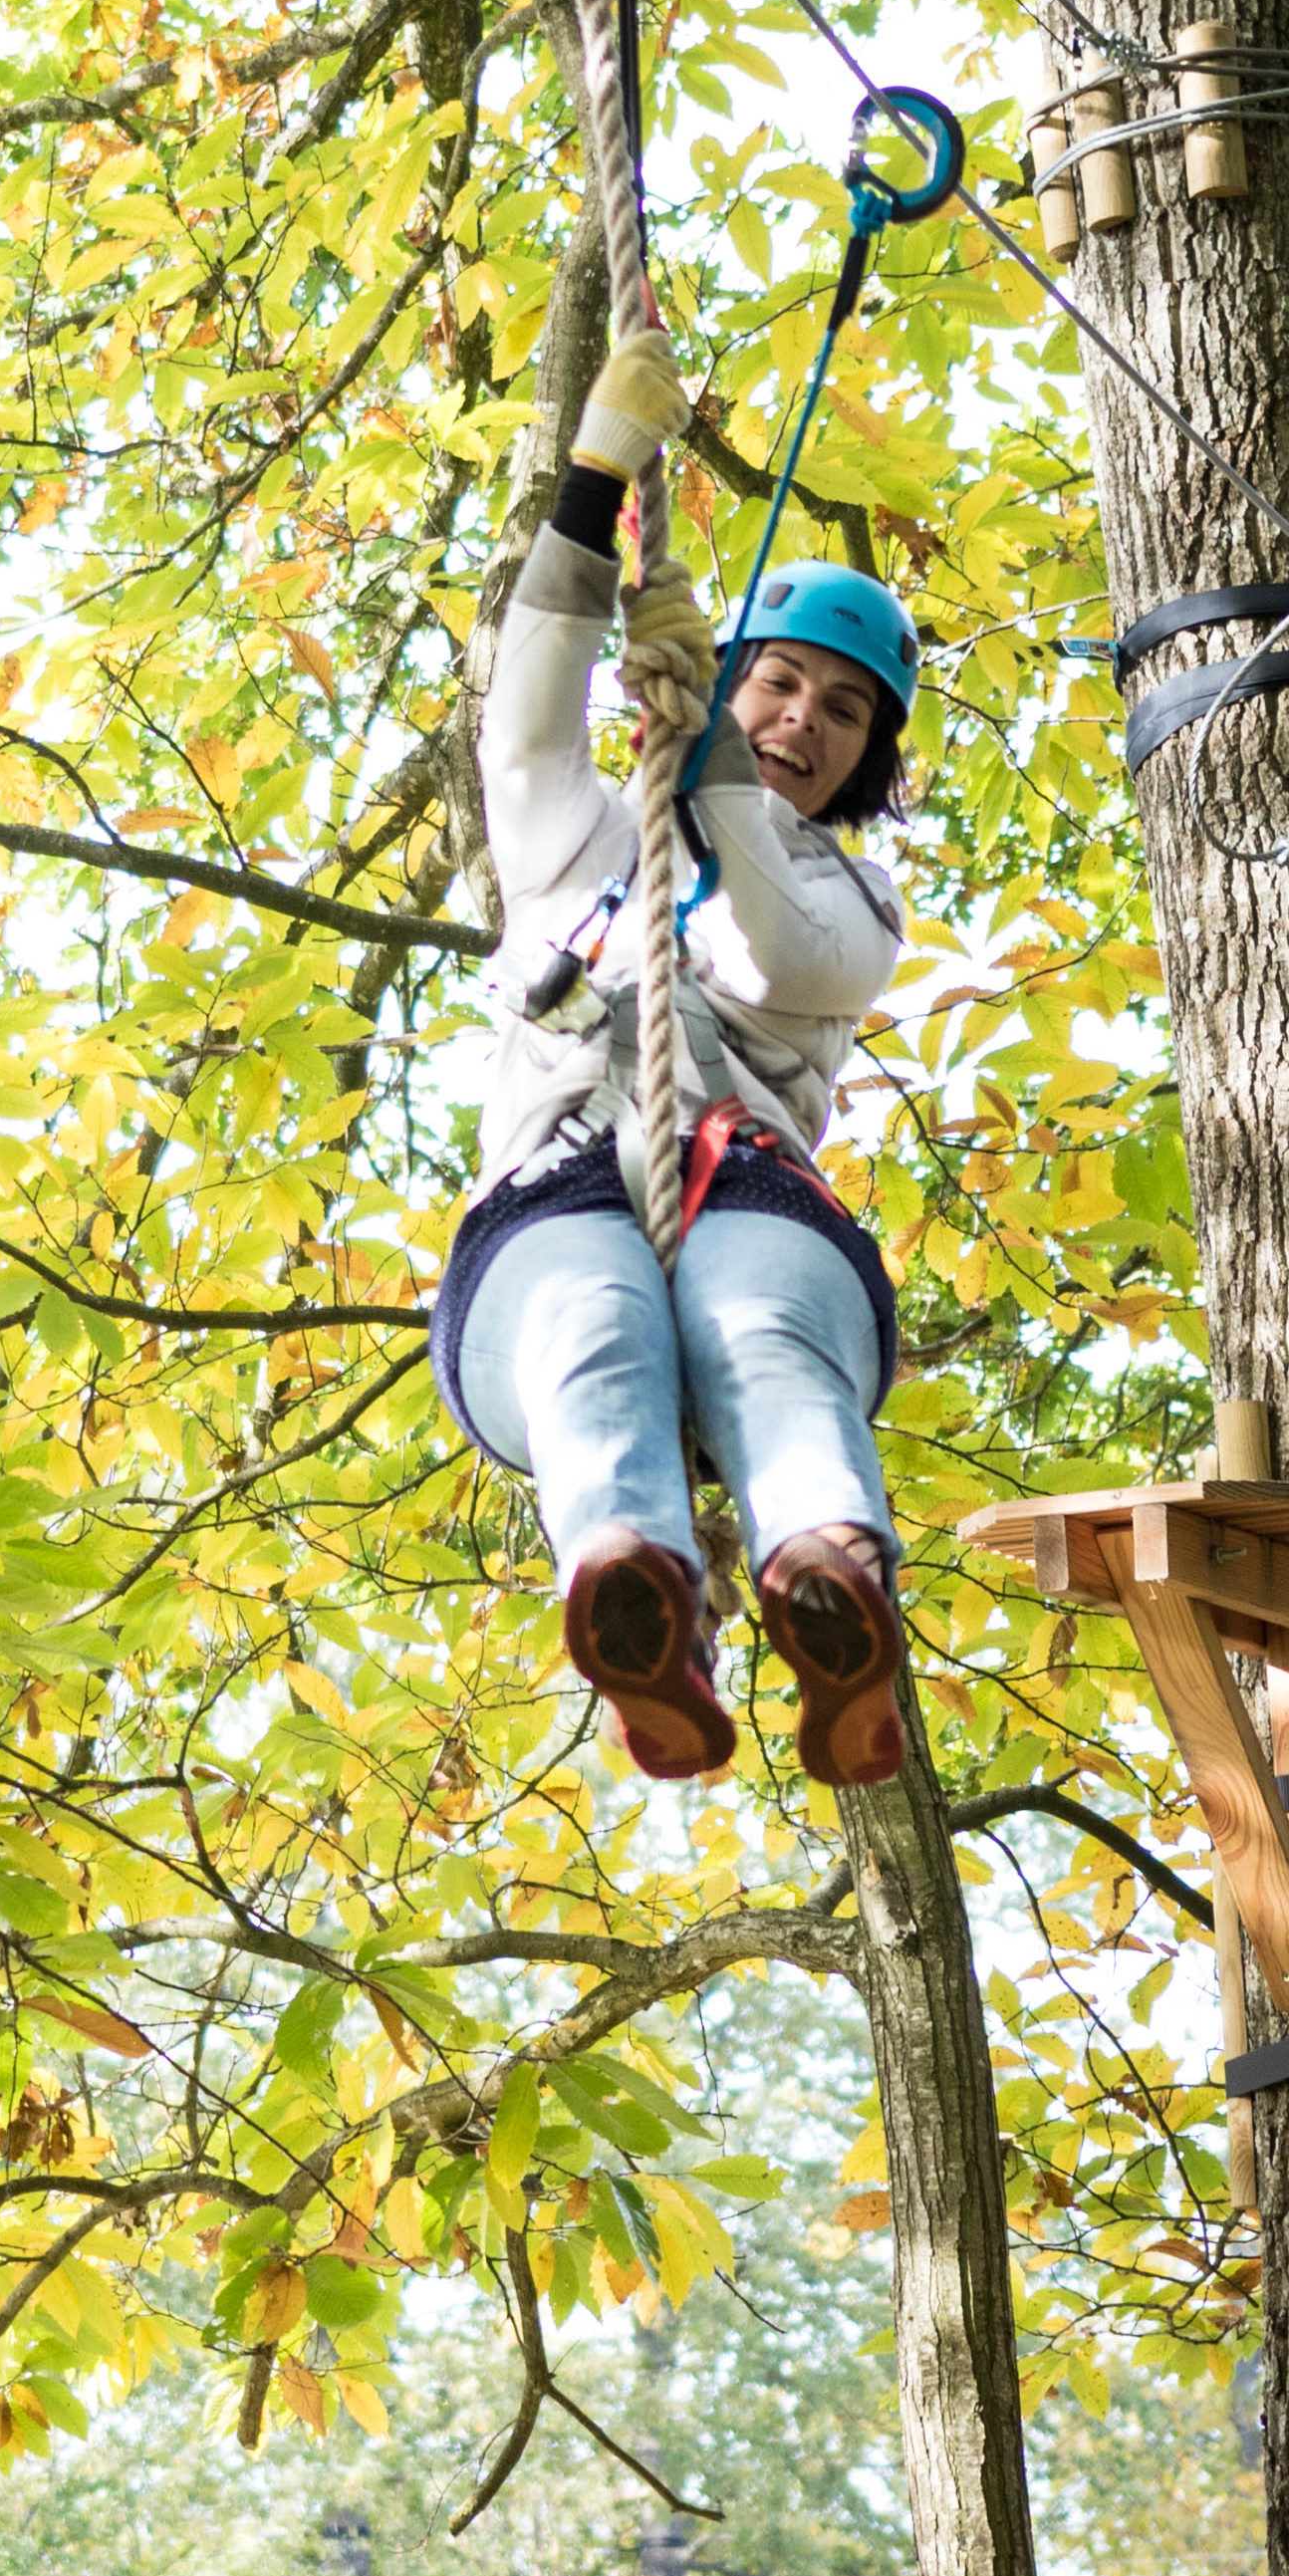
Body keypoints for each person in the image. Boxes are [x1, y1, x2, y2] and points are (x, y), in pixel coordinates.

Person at [429, 330, 915, 1788]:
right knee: (589, 1333)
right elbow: (521, 724)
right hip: (562, 1183)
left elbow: (775, 948)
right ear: (729, 678)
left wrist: (705, 749)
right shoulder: (579, 842)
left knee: (760, 1335)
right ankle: (633, 1579)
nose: (801, 723)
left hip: (750, 1192)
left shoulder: (852, 901)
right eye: (778, 685)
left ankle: (827, 1569)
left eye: (842, 711)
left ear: (867, 757)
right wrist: (592, 487)